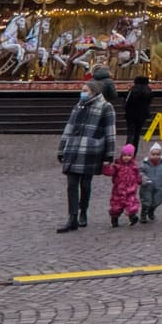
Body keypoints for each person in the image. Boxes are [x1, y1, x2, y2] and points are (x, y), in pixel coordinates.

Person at [57, 76, 117, 232]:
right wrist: (62, 146)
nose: (82, 93)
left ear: (94, 92)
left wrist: (109, 155)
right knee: (71, 184)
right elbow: (69, 126)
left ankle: (83, 211)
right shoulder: (79, 106)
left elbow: (110, 132)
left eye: (85, 91)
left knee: (85, 184)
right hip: (73, 148)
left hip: (90, 150)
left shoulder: (106, 107)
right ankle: (72, 217)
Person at [102, 142, 143, 227]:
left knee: (131, 205)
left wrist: (140, 181)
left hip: (130, 191)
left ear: (132, 156)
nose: (126, 157)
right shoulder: (117, 166)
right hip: (118, 191)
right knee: (116, 207)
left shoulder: (134, 167)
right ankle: (114, 219)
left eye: (129, 155)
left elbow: (137, 176)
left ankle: (132, 217)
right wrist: (106, 167)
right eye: (124, 155)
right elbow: (110, 172)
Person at [138, 142, 162, 222]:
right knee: (146, 202)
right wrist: (143, 177)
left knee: (158, 200)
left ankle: (151, 211)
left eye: (158, 154)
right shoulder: (145, 164)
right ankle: (143, 215)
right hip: (147, 188)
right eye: (153, 154)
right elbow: (139, 172)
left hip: (158, 187)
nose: (155, 156)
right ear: (149, 154)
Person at [123, 75, 154, 148]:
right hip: (143, 115)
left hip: (131, 114)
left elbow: (127, 102)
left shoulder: (133, 90)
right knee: (137, 133)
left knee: (130, 132)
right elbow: (149, 102)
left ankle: (128, 149)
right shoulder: (148, 90)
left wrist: (126, 108)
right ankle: (134, 150)